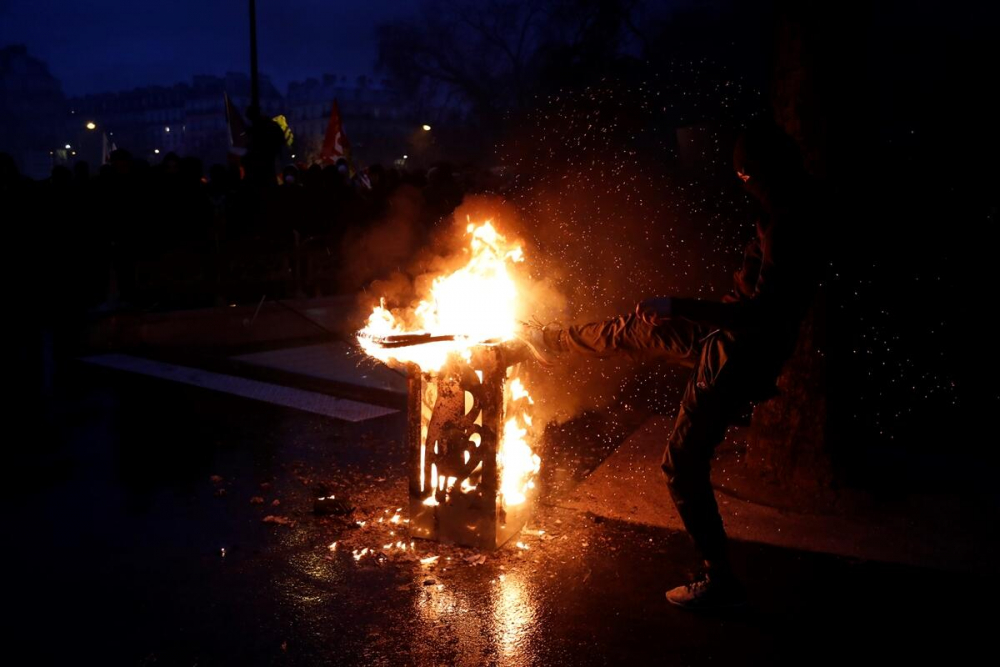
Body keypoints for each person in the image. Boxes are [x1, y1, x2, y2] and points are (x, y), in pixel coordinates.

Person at [519, 118, 826, 610]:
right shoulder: (785, 206)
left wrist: (680, 304)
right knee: (638, 327)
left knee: (681, 466)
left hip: (737, 356)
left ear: (762, 172)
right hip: (725, 336)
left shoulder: (792, 221)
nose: (746, 188)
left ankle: (720, 580)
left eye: (748, 178)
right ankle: (549, 342)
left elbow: (763, 313)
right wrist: (682, 312)